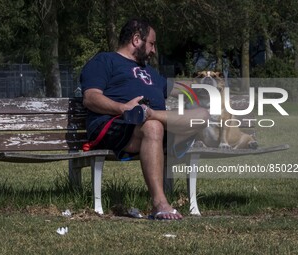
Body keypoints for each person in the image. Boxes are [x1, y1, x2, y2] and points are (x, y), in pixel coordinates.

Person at [80, 18, 209, 220]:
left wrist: (205, 88)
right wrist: (123, 108)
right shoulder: (104, 61)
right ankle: (160, 204)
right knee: (154, 127)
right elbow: (91, 98)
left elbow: (180, 89)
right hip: (117, 124)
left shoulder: (149, 72)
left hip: (153, 123)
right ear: (136, 40)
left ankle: (150, 114)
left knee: (201, 115)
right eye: (152, 44)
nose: (154, 50)